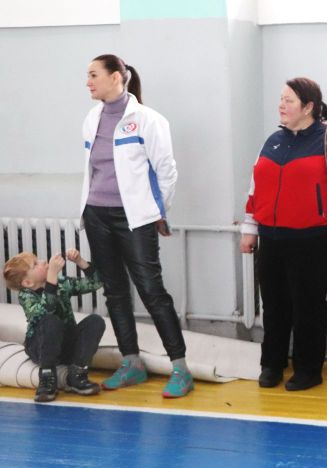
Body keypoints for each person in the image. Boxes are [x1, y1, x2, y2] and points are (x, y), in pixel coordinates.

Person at [239, 77, 327, 391]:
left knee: (307, 306)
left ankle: (308, 369)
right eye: (281, 99)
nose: (281, 105)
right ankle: (272, 364)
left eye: (289, 100)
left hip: (312, 239)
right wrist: (250, 228)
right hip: (271, 237)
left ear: (309, 107)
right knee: (273, 304)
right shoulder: (273, 141)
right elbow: (257, 186)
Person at [80, 54, 193, 398]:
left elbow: (166, 171)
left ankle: (180, 368)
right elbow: (93, 169)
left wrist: (157, 211)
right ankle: (132, 363)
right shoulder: (92, 118)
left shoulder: (148, 120)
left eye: (94, 75)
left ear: (116, 77)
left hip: (135, 218)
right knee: (114, 291)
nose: (88, 82)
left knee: (151, 291)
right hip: (97, 215)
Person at [3, 250, 105, 402]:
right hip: (40, 348)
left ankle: (77, 374)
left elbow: (96, 283)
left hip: (65, 346)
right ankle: (47, 377)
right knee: (50, 321)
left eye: (39, 259)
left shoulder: (61, 283)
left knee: (96, 321)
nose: (43, 262)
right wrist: (51, 275)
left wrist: (80, 261)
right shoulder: (26, 295)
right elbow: (46, 311)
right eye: (35, 264)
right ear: (28, 283)